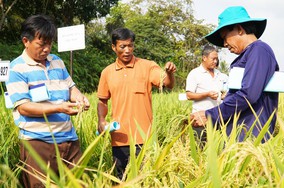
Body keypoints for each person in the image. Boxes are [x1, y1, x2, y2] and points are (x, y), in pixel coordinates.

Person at [5, 15, 90, 187]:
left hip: (69, 140)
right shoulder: (17, 68)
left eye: (50, 44)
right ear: (25, 41)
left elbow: (71, 87)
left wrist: (80, 98)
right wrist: (59, 108)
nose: (46, 49)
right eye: (41, 44)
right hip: (38, 143)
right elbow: (24, 107)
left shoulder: (57, 61)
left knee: (81, 184)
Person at [97, 28, 176, 179]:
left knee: (145, 179)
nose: (127, 50)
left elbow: (167, 83)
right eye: (122, 47)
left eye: (130, 46)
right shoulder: (107, 72)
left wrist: (170, 73)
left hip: (144, 138)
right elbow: (102, 101)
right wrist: (101, 120)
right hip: (119, 139)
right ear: (114, 47)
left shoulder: (147, 66)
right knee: (122, 179)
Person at [191, 6, 279, 143]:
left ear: (239, 29)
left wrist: (211, 115)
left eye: (225, 37)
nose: (225, 44)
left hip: (251, 137)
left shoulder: (259, 51)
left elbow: (248, 94)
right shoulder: (249, 54)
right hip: (237, 135)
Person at [186, 45, 228, 147]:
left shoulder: (221, 75)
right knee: (200, 150)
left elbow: (226, 92)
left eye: (216, 59)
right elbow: (189, 95)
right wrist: (207, 94)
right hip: (201, 119)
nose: (215, 61)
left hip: (218, 119)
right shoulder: (195, 74)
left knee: (219, 149)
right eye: (213, 59)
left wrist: (225, 96)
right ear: (204, 58)